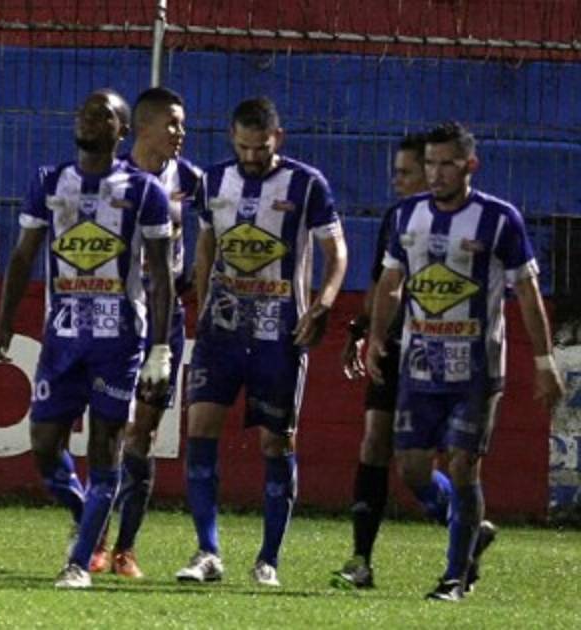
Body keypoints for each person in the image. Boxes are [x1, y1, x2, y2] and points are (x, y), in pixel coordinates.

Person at [367, 121, 563, 601]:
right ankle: (471, 531)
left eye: (447, 164)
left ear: (470, 165)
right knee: (412, 469)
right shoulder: (406, 215)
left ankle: (454, 577)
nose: (436, 173)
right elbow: (391, 282)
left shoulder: (499, 219)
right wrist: (375, 335)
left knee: (462, 465)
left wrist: (544, 361)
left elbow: (528, 292)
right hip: (419, 366)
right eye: (430, 163)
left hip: (477, 371)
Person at [0, 88, 175, 589]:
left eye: (103, 115)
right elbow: (23, 255)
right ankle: (86, 515)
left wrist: (160, 349)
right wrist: (5, 320)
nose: (89, 120)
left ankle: (78, 563)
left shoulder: (144, 191)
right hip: (62, 336)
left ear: (122, 130)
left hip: (119, 341)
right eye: (84, 112)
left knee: (105, 447)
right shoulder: (49, 182)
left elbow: (161, 276)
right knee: (43, 444)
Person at [174, 96, 348, 587]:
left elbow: (336, 252)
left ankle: (268, 559)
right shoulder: (212, 182)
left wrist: (323, 305)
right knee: (200, 428)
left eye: (261, 148)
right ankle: (208, 551)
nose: (251, 156)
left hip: (280, 333)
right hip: (222, 331)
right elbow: (207, 243)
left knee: (276, 440)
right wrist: (203, 303)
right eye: (244, 147)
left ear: (278, 139)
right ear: (232, 138)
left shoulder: (306, 184)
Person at [89, 86, 202, 579]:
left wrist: (194, 277)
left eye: (183, 124)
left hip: (163, 319)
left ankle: (125, 548)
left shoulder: (192, 180)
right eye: (172, 124)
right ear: (142, 127)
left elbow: (214, 232)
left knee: (143, 432)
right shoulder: (112, 178)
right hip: (115, 318)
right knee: (109, 429)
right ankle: (94, 539)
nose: (181, 132)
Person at [331, 133, 433, 589]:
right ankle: (361, 560)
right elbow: (381, 283)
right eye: (396, 172)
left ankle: (464, 529)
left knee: (420, 463)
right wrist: (361, 331)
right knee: (374, 441)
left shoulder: (470, 221)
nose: (397, 181)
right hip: (392, 345)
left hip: (439, 349)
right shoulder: (396, 217)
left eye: (405, 173)